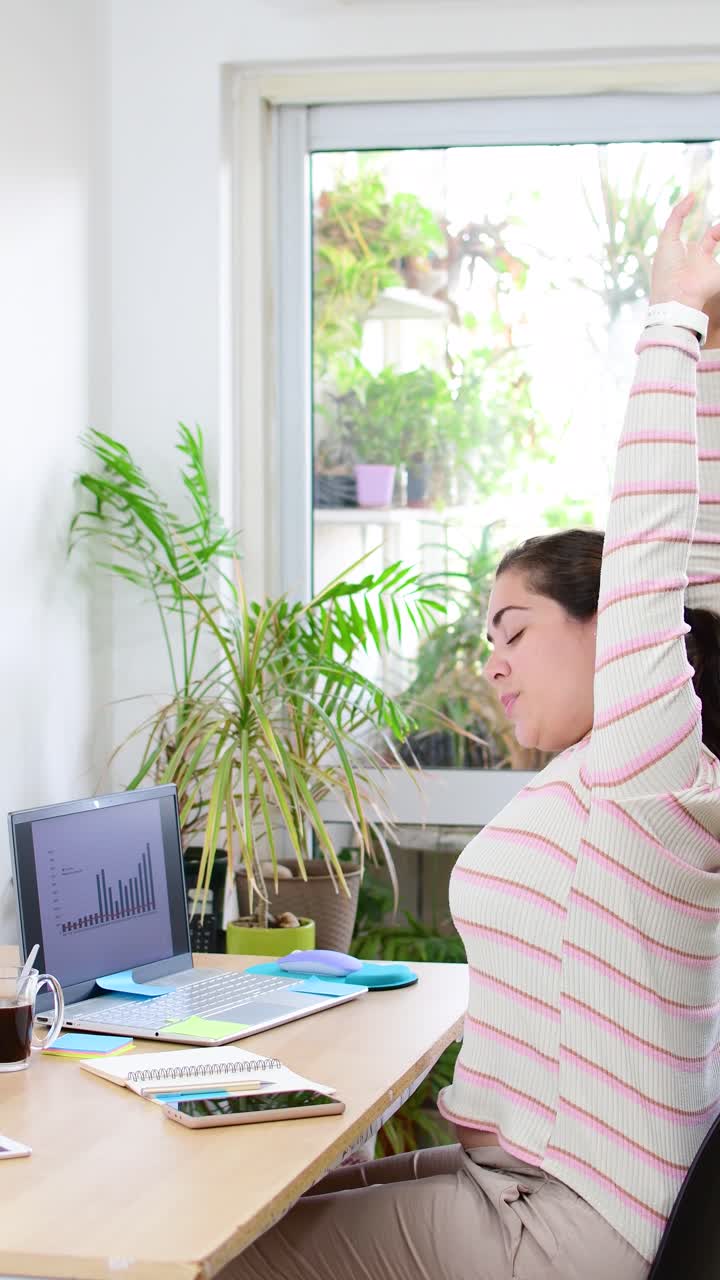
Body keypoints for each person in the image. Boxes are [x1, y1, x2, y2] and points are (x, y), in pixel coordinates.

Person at [222, 196, 720, 1280]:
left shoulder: (655, 770)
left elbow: (666, 550)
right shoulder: (609, 781)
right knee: (254, 1211)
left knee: (231, 1258)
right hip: (527, 1177)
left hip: (570, 1222)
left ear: (616, 625)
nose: (489, 660)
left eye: (515, 629)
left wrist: (675, 322)